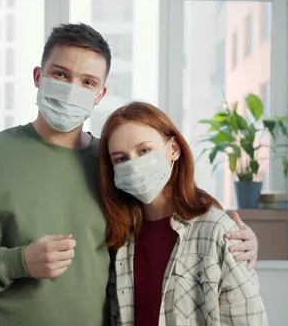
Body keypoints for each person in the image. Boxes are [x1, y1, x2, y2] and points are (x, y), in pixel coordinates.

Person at [0, 23, 259, 326]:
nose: (71, 88)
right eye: (60, 74)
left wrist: (235, 243)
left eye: (88, 81)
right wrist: (14, 262)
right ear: (38, 77)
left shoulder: (116, 167)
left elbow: (164, 228)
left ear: (100, 94)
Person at [100, 102, 269, 326]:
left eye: (144, 151)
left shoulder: (218, 230)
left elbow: (248, 320)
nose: (134, 165)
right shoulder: (119, 234)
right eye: (121, 159)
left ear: (174, 149)